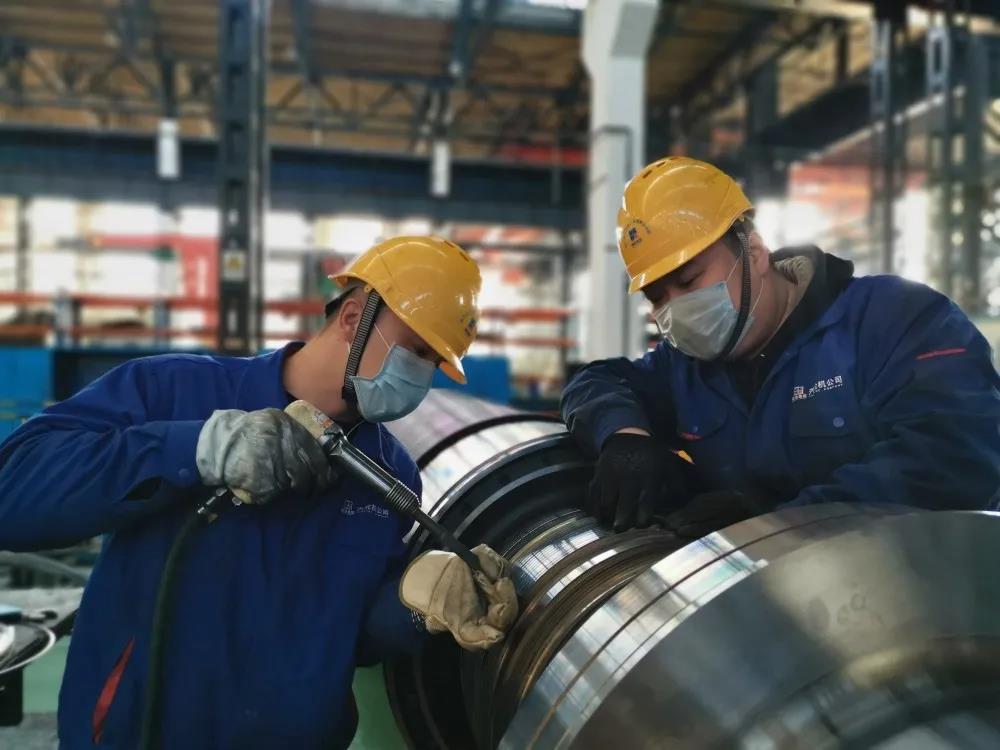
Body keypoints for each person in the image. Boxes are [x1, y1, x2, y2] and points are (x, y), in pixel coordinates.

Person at [0, 236, 516, 749]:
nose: (421, 376)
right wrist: (195, 448)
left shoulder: (390, 475)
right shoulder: (174, 390)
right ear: (353, 318)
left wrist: (412, 603)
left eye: (433, 362)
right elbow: (13, 490)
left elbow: (347, 640)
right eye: (416, 350)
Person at [563, 156, 1000, 536]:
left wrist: (781, 524)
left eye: (689, 280)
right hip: (769, 596)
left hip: (934, 587)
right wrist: (623, 436)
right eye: (657, 297)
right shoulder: (686, 367)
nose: (674, 307)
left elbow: (955, 456)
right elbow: (595, 381)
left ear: (753, 252)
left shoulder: (895, 318)